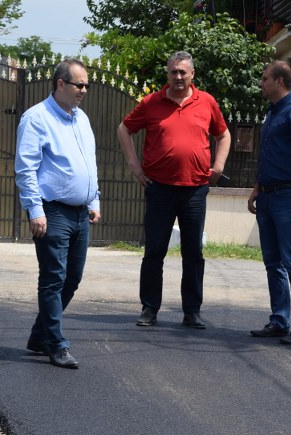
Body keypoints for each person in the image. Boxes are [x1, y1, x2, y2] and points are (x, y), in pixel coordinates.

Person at [117, 51, 231, 329]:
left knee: (193, 253)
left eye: (183, 72)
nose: (178, 76)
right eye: (173, 72)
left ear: (192, 74)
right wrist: (134, 166)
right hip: (159, 188)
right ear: (167, 74)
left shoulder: (207, 102)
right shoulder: (151, 102)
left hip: (195, 190)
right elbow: (124, 129)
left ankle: (192, 311)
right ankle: (149, 309)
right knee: (154, 251)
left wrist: (218, 166)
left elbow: (223, 134)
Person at [15, 58, 101, 369]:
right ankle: (56, 343)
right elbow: (26, 168)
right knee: (53, 279)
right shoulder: (36, 118)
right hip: (52, 211)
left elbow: (89, 162)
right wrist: (34, 210)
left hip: (80, 213)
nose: (84, 90)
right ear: (60, 84)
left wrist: (94, 200)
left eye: (87, 85)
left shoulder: (82, 119)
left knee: (72, 278)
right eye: (79, 84)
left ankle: (40, 336)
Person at [247, 60, 291, 345]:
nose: (261, 83)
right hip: (267, 195)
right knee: (272, 263)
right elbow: (271, 155)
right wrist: (258, 188)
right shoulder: (272, 111)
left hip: (289, 197)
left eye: (265, 78)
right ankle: (279, 320)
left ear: (279, 81)